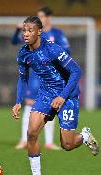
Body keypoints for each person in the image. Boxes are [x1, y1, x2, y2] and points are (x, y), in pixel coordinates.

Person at [11, 16, 99, 175]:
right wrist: (18, 101)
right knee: (31, 133)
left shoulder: (52, 49)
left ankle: (85, 135)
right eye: (24, 30)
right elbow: (22, 78)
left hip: (67, 95)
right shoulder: (23, 53)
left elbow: (76, 71)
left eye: (30, 30)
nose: (26, 34)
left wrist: (62, 96)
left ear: (39, 31)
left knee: (67, 144)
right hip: (46, 94)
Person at [12, 6, 71, 150]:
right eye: (38, 16)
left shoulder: (56, 33)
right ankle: (24, 140)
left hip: (52, 75)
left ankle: (49, 142)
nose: (40, 18)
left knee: (51, 106)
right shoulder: (31, 32)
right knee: (30, 104)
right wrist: (18, 30)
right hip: (35, 76)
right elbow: (14, 40)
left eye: (42, 16)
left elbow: (66, 51)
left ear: (49, 17)